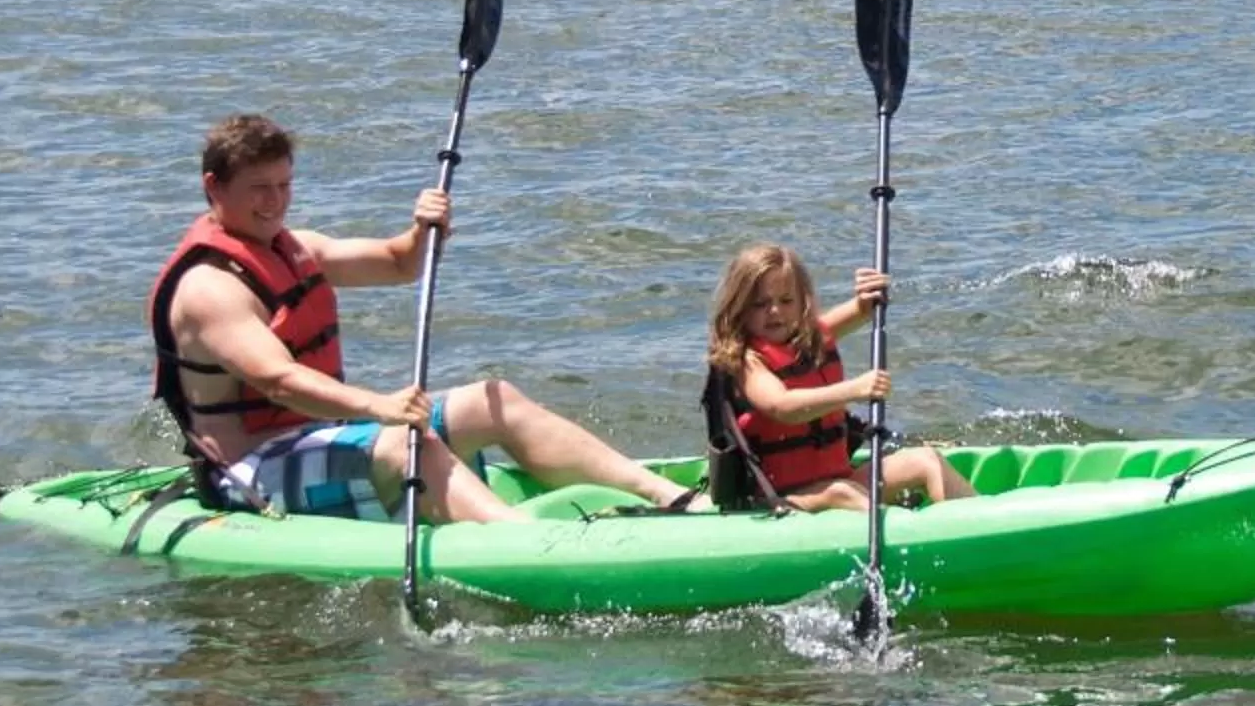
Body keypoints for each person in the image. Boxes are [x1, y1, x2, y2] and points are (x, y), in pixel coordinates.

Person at [150, 112, 693, 523]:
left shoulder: (296, 249)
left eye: (284, 185)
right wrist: (381, 407)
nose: (275, 202)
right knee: (408, 439)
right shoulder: (209, 288)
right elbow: (279, 380)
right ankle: (521, 541)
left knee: (492, 398)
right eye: (258, 189)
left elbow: (399, 263)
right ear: (214, 187)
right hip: (249, 474)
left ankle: (673, 499)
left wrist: (423, 228)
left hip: (324, 439)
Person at [705, 244, 973, 511]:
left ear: (802, 303)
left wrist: (867, 298)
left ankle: (972, 525)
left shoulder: (809, 338)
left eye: (786, 301)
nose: (775, 311)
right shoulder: (747, 361)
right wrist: (853, 390)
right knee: (842, 493)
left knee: (926, 460)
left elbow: (862, 310)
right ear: (740, 308)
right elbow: (782, 406)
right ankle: (909, 534)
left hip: (837, 479)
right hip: (778, 498)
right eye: (761, 304)